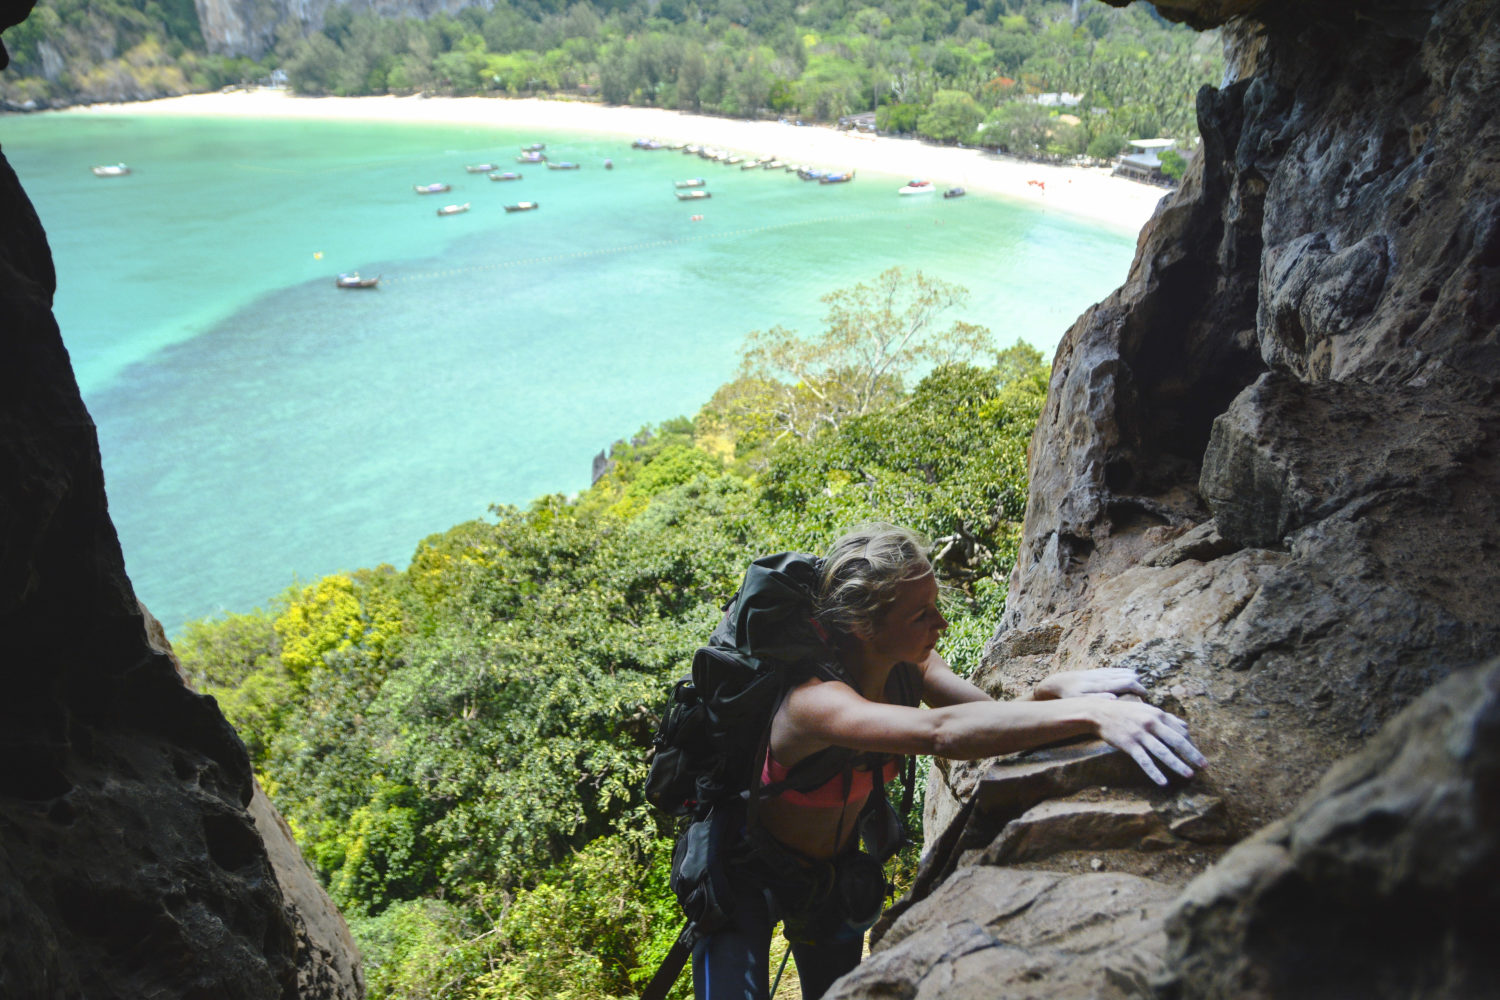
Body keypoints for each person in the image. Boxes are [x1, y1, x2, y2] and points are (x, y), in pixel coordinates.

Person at [693, 523, 1206, 1000]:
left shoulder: (909, 666)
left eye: (935, 605)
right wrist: (1089, 715)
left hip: (830, 874)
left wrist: (1052, 693)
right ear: (861, 626)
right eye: (921, 614)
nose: (940, 623)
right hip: (746, 872)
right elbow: (941, 734)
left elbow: (987, 719)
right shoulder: (813, 704)